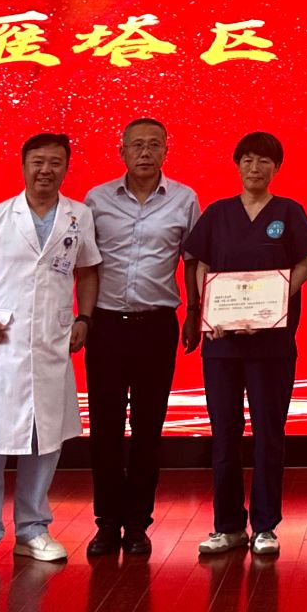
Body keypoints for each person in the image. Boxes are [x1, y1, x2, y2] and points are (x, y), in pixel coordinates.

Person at [0, 132, 101, 571]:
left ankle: (33, 530)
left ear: (66, 168)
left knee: (45, 440)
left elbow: (89, 271)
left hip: (53, 341)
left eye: (55, 162)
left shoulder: (79, 216)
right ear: (23, 166)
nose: (46, 170)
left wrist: (84, 318)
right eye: (38, 162)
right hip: (4, 343)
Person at [184, 131, 307, 558]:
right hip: (222, 345)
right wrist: (209, 312)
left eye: (264, 161)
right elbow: (200, 264)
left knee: (268, 434)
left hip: (272, 344)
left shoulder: (289, 211)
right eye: (247, 160)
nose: (255, 168)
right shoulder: (217, 213)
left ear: (276, 168)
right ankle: (227, 526)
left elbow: (303, 266)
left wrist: (272, 306)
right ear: (237, 165)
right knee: (224, 434)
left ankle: (265, 525)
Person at [79, 117, 201, 557]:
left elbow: (193, 261)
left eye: (154, 145)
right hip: (107, 325)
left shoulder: (185, 199)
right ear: (122, 151)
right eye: (137, 145)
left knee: (149, 427)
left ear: (166, 150)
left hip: (157, 324)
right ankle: (106, 522)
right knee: (106, 427)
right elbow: (84, 265)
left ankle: (137, 523)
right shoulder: (96, 199)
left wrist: (195, 313)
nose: (145, 152)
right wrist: (82, 317)